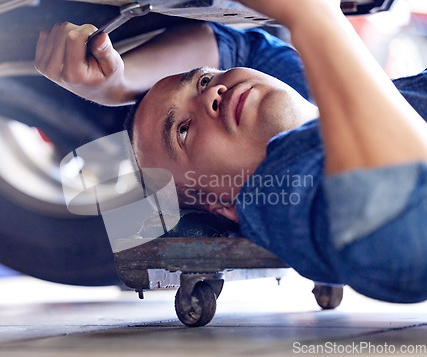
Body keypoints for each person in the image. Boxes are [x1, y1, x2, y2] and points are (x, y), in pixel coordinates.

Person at [35, 0, 427, 303]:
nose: (212, 94)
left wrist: (119, 86)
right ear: (225, 205)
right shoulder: (271, 189)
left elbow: (237, 46)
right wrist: (313, 18)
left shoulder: (312, 110)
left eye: (203, 80)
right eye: (184, 131)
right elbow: (400, 245)